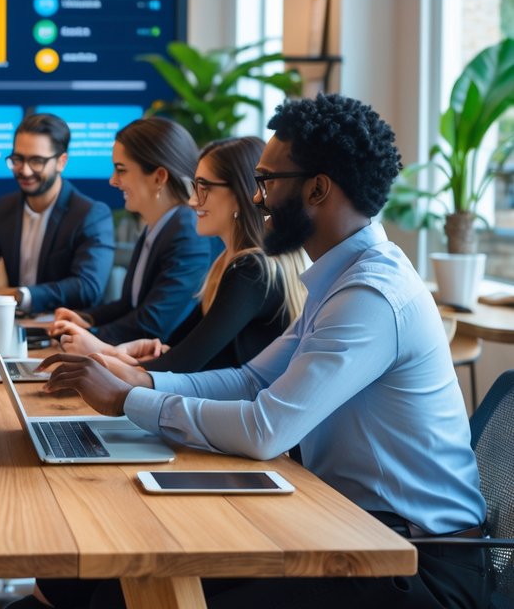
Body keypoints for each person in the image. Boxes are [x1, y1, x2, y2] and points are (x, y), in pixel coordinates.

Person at [27, 94, 490, 609]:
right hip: (349, 526)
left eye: (267, 180)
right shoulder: (339, 281)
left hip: (412, 563)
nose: (257, 196)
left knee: (128, 596)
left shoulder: (372, 296)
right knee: (99, 581)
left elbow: (266, 428)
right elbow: (251, 380)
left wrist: (125, 401)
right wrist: (142, 382)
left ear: (317, 189)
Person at [55, 137, 307, 373]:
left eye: (203, 188)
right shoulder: (229, 263)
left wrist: (102, 354)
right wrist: (118, 352)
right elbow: (178, 349)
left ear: (240, 195)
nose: (193, 201)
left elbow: (182, 366)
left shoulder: (252, 271)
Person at [50, 117, 211, 345]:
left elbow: (154, 323)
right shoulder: (160, 225)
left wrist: (88, 337)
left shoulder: (188, 232)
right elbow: (131, 305)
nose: (113, 181)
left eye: (121, 170)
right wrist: (87, 319)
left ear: (159, 177)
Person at [0, 113, 114, 314]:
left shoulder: (91, 215)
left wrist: (22, 296)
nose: (24, 170)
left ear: (61, 162)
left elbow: (88, 287)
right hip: (14, 325)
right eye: (18, 159)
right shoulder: (6, 207)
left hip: (65, 331)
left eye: (36, 161)